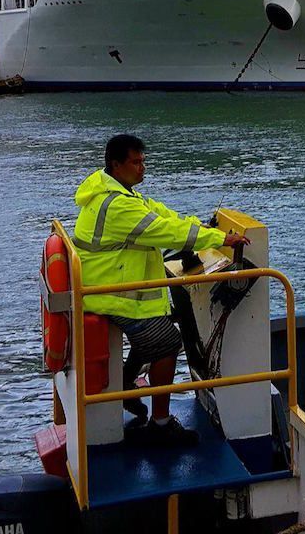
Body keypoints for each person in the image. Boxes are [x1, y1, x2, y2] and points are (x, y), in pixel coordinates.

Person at [73, 133, 247, 445]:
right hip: (109, 295)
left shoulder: (117, 192)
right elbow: (162, 230)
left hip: (109, 287)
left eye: (143, 161)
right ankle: (161, 422)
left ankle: (126, 384)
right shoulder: (117, 206)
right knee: (167, 341)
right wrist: (220, 240)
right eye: (135, 162)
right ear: (116, 164)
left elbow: (164, 216)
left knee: (158, 324)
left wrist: (202, 228)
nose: (143, 168)